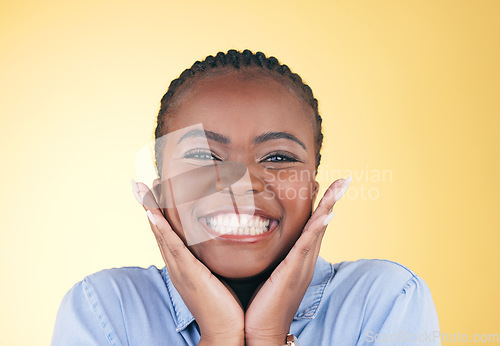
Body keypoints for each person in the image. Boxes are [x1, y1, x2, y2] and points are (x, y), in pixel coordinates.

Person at [51, 49, 440, 346]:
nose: (241, 184)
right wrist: (220, 336)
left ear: (312, 194)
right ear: (160, 195)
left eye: (278, 157)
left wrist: (269, 334)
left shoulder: (386, 298)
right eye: (204, 157)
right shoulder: (104, 308)